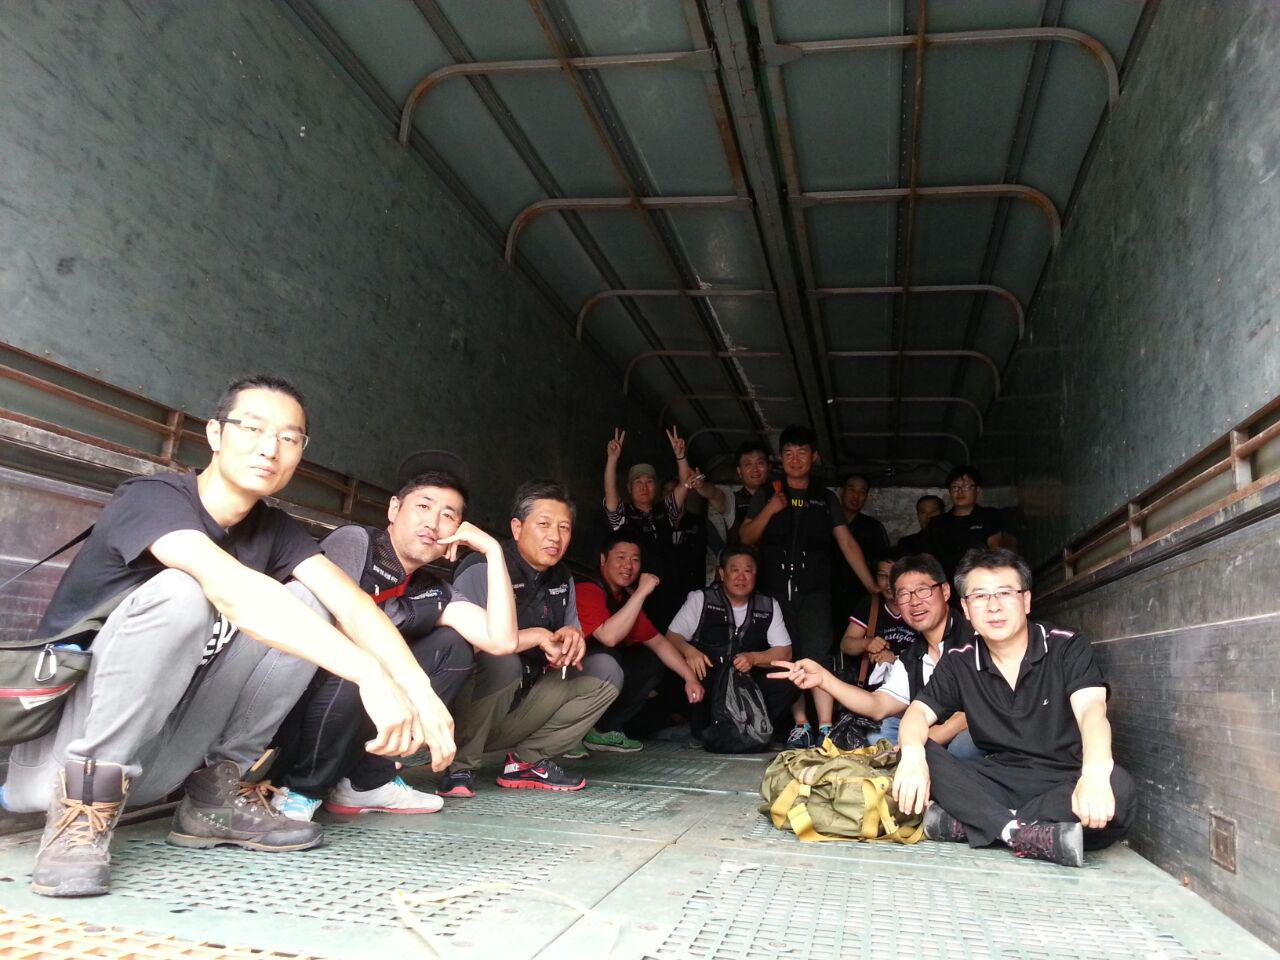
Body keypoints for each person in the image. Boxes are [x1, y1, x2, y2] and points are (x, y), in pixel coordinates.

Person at [2, 375, 456, 898]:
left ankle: (214, 798)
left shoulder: (275, 530)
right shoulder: (153, 498)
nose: (270, 448)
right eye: (253, 428)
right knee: (183, 591)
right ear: (215, 434)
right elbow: (232, 589)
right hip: (66, 764)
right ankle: (81, 818)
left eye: (288, 438)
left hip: (161, 761)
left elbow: (352, 605)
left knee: (310, 603)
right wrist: (369, 673)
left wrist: (420, 692)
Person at [270, 463, 519, 820]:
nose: (433, 522)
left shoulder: (431, 589)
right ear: (394, 509)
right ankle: (297, 791)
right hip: (287, 716)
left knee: (453, 646)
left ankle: (366, 782)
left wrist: (493, 551)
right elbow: (340, 628)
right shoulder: (357, 542)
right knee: (359, 657)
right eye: (423, 506)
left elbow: (502, 641)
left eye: (448, 515)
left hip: (345, 721)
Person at [892, 548, 1136, 866]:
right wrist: (912, 757)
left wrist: (1094, 775)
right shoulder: (960, 660)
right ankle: (1021, 833)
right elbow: (916, 714)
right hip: (998, 779)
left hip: (1063, 779)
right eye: (980, 596)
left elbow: (1092, 711)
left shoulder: (1065, 644)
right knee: (916, 750)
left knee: (1119, 790)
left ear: (1026, 600)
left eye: (1005, 593)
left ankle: (977, 824)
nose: (993, 606)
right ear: (965, 608)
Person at [437, 481, 621, 797]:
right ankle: (459, 766)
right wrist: (537, 636)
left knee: (606, 671)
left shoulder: (562, 578)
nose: (555, 536)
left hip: (521, 704)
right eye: (544, 524)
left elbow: (569, 635)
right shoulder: (482, 567)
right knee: (501, 660)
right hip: (463, 712)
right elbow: (465, 646)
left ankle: (527, 761)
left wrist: (571, 638)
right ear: (517, 527)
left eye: (564, 528)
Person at [738, 424, 877, 748]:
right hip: (774, 593)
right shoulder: (766, 493)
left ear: (814, 457)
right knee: (787, 655)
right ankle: (801, 724)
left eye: (802, 453)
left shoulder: (825, 498)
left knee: (818, 654)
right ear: (780, 458)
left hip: (815, 593)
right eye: (788, 453)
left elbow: (846, 543)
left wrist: (872, 587)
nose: (795, 459)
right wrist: (770, 509)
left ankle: (825, 727)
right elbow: (745, 537)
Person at [770, 553, 982, 759]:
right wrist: (825, 680)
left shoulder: (975, 635)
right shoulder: (913, 657)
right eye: (904, 594)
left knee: (963, 746)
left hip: (977, 729)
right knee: (878, 733)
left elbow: (974, 710)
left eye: (922, 590)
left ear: (945, 591)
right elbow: (878, 705)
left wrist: (918, 743)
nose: (914, 601)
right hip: (928, 728)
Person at [574, 530, 705, 752]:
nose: (628, 565)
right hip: (567, 677)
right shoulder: (588, 588)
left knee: (651, 662)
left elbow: (659, 644)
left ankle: (602, 730)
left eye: (635, 560)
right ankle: (571, 734)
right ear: (603, 560)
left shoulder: (625, 598)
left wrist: (690, 678)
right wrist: (641, 592)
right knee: (609, 657)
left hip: (598, 678)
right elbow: (608, 637)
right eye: (621, 557)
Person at [665, 545, 796, 742]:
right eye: (734, 570)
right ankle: (703, 731)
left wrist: (753, 658)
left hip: (747, 679)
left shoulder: (768, 604)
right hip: (709, 675)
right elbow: (671, 637)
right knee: (689, 671)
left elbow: (785, 652)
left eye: (748, 571)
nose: (741, 577)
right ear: (722, 573)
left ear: (755, 574)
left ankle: (755, 731)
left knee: (788, 680)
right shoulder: (701, 599)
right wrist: (689, 651)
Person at [603, 427, 700, 630]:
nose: (644, 487)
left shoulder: (665, 510)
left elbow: (686, 484)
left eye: (649, 482)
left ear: (656, 487)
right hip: (638, 594)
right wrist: (612, 459)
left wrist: (681, 456)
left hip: (672, 591)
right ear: (629, 488)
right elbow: (610, 492)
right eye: (638, 482)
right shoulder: (623, 515)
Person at [836, 551, 917, 691]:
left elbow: (933, 649)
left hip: (915, 688)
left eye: (894, 576)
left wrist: (895, 657)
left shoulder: (918, 604)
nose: (888, 583)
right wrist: (866, 643)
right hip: (872, 691)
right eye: (882, 576)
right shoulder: (871, 605)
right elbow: (845, 645)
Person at [696, 439, 771, 582]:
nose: (755, 470)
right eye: (748, 464)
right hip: (740, 578)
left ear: (768, 467)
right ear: (739, 471)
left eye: (760, 463)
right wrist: (700, 485)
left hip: (772, 573)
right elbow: (714, 494)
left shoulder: (780, 498)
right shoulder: (732, 498)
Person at [924, 467, 1016, 584]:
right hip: (946, 583)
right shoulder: (937, 523)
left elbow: (996, 549)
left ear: (978, 490)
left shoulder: (990, 516)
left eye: (966, 486)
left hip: (980, 580)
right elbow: (929, 559)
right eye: (955, 487)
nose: (960, 491)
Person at [831, 473, 890, 633]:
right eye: (851, 490)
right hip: (827, 594)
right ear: (841, 491)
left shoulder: (873, 528)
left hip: (860, 595)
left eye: (862, 492)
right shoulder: (825, 522)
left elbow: (884, 562)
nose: (856, 496)